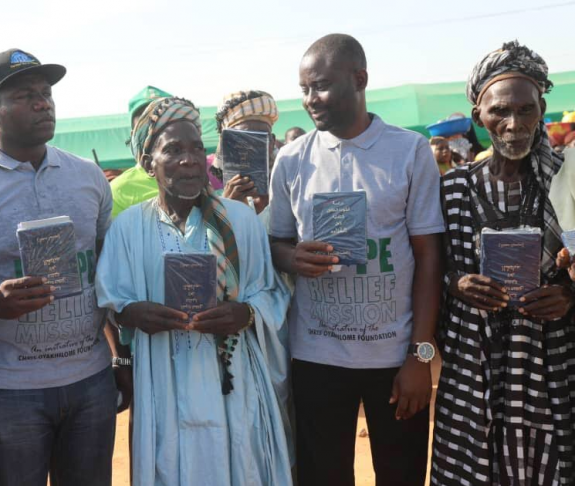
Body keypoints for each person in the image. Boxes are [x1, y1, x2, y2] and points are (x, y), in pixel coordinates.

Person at [0, 49, 124, 486]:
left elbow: (106, 276)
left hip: (90, 380)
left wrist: (119, 356)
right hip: (6, 390)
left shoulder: (88, 177)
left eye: (46, 93)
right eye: (24, 96)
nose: (42, 103)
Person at [269, 34, 444, 486]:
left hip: (394, 356)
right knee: (322, 477)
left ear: (360, 79)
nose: (310, 99)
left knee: (401, 475)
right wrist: (293, 258)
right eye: (304, 89)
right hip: (316, 356)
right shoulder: (291, 160)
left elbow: (429, 258)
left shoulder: (409, 151)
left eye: (321, 86)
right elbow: (275, 244)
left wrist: (420, 356)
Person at [96, 97, 293, 486]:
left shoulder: (240, 220)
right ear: (148, 163)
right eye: (173, 150)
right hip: (162, 376)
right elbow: (112, 301)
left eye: (196, 148)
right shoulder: (128, 228)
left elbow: (271, 292)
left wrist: (246, 314)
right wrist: (133, 314)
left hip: (234, 380)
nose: (189, 159)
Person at [432, 41, 575, 485]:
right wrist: (456, 285)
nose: (514, 124)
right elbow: (427, 268)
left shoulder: (567, 179)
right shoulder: (452, 189)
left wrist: (569, 294)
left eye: (526, 110)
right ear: (479, 117)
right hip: (474, 365)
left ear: (542, 110)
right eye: (500, 112)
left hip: (551, 362)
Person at [212, 90, 280, 221]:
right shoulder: (213, 200)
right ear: (227, 144)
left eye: (260, 138)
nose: (253, 146)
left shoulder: (290, 186)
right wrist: (228, 208)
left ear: (272, 142)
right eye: (244, 139)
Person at [110, 85, 173, 218]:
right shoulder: (118, 191)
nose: (154, 132)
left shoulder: (197, 178)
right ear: (133, 136)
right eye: (145, 126)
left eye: (164, 123)